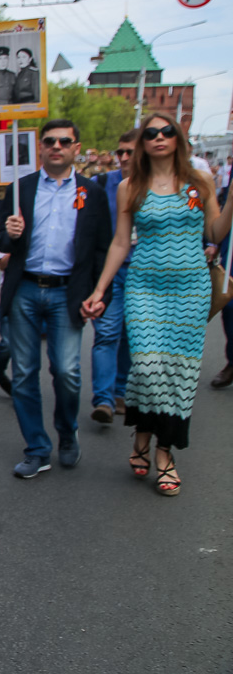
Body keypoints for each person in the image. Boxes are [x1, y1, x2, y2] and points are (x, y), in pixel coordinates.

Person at [82, 114, 233, 497]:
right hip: (144, 287)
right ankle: (143, 431)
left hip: (191, 289)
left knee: (178, 375)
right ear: (143, 143)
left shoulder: (200, 183)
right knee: (147, 368)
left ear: (178, 138)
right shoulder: (130, 187)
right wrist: (100, 290)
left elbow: (214, 232)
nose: (160, 137)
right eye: (151, 133)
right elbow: (120, 242)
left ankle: (162, 451)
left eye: (167, 131)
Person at [0, 119, 112, 478]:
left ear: (76, 148)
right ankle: (37, 447)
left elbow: (102, 248)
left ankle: (67, 429)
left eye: (64, 141)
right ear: (41, 148)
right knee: (25, 372)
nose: (56, 146)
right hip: (26, 289)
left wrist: (98, 292)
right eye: (50, 141)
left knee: (67, 371)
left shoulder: (92, 193)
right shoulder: (20, 189)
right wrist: (9, 234)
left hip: (68, 292)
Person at [88, 129, 137, 423]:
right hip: (110, 271)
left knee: (131, 337)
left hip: (144, 275)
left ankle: (120, 390)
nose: (125, 158)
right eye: (121, 152)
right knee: (106, 333)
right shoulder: (102, 183)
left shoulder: (160, 187)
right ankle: (103, 399)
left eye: (132, 152)